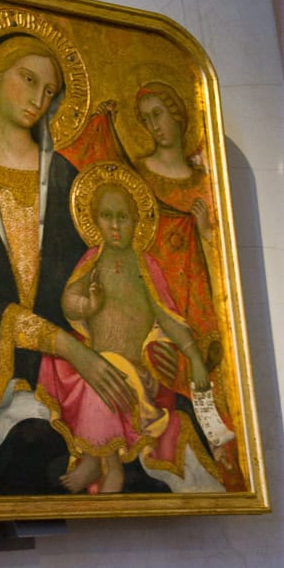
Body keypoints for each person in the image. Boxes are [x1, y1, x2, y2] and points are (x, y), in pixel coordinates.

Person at [0, 34, 137, 497]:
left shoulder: (64, 177)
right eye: (28, 79)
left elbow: (89, 281)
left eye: (49, 90)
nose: (39, 99)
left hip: (63, 375)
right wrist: (67, 347)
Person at [38, 165, 227, 494]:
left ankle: (108, 466)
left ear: (136, 221)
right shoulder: (91, 260)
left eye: (122, 217)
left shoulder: (145, 266)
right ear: (95, 221)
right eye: (107, 216)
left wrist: (195, 359)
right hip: (98, 361)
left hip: (135, 372)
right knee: (90, 370)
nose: (114, 225)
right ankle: (97, 460)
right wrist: (89, 305)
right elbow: (69, 302)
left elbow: (168, 317)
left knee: (108, 375)